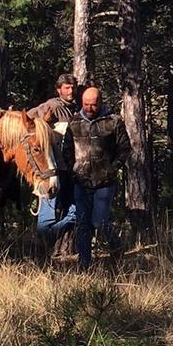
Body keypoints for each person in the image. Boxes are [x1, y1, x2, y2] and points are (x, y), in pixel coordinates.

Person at [60, 84, 130, 270]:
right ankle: (85, 265)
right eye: (86, 104)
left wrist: (112, 169)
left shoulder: (113, 122)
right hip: (81, 183)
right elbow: (66, 151)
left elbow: (124, 149)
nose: (89, 108)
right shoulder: (74, 123)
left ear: (100, 102)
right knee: (83, 224)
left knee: (100, 221)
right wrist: (73, 170)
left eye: (93, 105)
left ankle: (117, 248)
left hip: (104, 183)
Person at [28, 72, 78, 249]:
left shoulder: (75, 109)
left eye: (73, 87)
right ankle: (42, 245)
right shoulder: (52, 106)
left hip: (68, 171)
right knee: (47, 215)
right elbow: (28, 120)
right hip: (50, 171)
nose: (71, 91)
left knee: (75, 210)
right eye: (67, 88)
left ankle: (47, 240)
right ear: (59, 90)